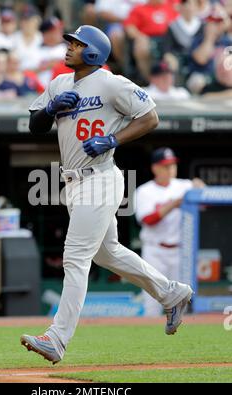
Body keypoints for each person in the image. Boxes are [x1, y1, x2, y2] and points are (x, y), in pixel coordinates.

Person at [21, 25, 193, 364]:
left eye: (76, 43)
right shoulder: (58, 83)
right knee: (107, 254)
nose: (69, 47)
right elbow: (34, 126)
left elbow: (150, 117)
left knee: (75, 257)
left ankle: (57, 339)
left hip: (100, 177)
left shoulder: (112, 82)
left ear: (94, 51)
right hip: (72, 182)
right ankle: (172, 294)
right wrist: (51, 108)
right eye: (69, 42)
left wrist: (113, 140)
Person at [135, 147, 204, 316]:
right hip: (155, 252)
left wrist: (201, 188)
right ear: (155, 168)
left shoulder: (185, 185)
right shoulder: (145, 191)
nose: (170, 169)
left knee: (182, 303)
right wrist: (174, 203)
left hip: (182, 253)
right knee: (151, 304)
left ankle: (181, 340)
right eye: (165, 165)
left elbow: (206, 203)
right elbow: (147, 219)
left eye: (172, 165)